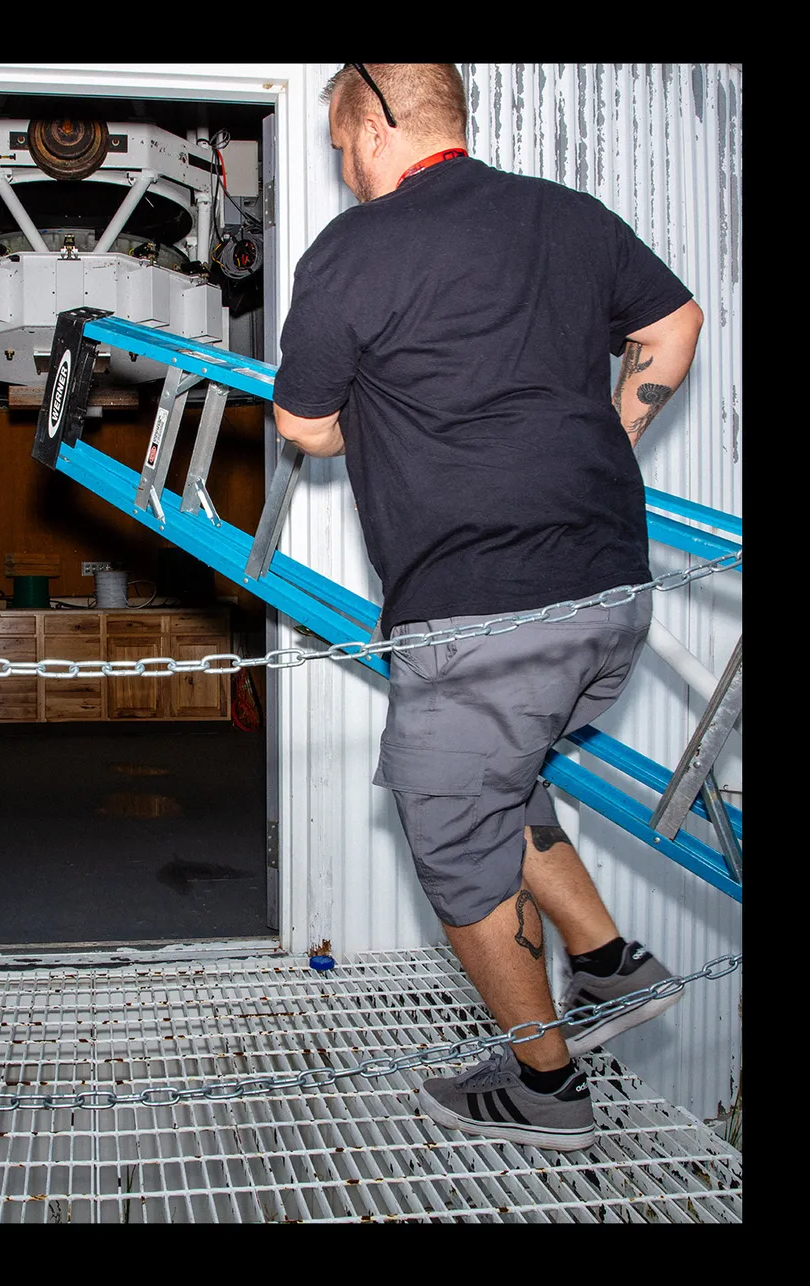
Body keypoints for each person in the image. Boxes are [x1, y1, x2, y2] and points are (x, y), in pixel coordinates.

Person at [272, 64, 704, 1153]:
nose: (342, 165)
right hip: (610, 596)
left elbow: (305, 426)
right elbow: (674, 323)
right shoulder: (567, 215)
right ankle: (610, 965)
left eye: (340, 144)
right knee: (502, 781)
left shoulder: (357, 250)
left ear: (376, 125)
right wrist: (608, 442)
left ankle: (543, 1086)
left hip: (484, 613)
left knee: (454, 832)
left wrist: (375, 409)